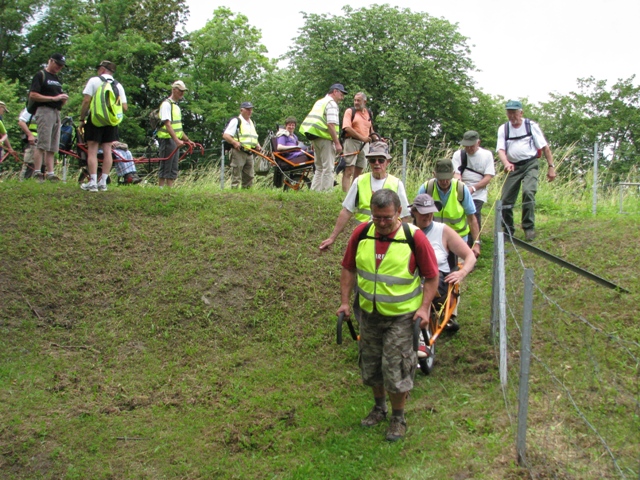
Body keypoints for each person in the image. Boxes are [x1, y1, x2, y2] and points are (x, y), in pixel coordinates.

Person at [338, 189, 439, 442]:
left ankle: (398, 417)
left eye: (387, 218)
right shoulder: (361, 233)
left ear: (399, 214)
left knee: (395, 367)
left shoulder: (413, 238)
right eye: (377, 218)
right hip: (369, 315)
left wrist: (424, 307)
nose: (382, 223)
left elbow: (432, 276)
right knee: (371, 365)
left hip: (402, 317)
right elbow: (348, 268)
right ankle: (379, 407)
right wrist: (344, 303)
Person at [319, 141, 410, 251]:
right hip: (364, 237)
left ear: (387, 162)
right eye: (372, 160)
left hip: (389, 238)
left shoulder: (396, 183)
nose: (376, 163)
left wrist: (408, 242)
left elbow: (405, 216)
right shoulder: (359, 181)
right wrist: (332, 238)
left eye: (381, 160)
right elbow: (347, 210)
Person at [411, 193, 476, 334]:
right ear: (414, 212)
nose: (427, 216)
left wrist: (462, 272)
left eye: (430, 212)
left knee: (423, 287)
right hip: (411, 275)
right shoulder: (407, 230)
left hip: (437, 277)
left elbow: (470, 256)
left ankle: (423, 334)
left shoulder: (443, 230)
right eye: (423, 213)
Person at [497, 100, 556, 241]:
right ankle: (508, 230)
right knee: (505, 200)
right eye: (509, 112)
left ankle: (528, 227)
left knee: (528, 192)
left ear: (521, 112)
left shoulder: (531, 126)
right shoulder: (503, 129)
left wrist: (551, 167)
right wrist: (506, 163)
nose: (511, 116)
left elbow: (545, 147)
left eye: (514, 112)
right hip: (513, 166)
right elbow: (501, 149)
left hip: (530, 164)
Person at [79, 60, 128, 192]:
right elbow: (124, 107)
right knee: (108, 150)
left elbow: (86, 101)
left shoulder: (94, 81)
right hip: (111, 122)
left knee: (92, 150)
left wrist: (82, 118)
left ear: (102, 69)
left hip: (95, 120)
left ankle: (93, 182)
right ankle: (103, 183)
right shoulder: (118, 86)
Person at [418, 159, 481, 258]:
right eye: (441, 178)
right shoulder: (426, 189)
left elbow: (472, 219)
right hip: (434, 238)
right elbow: (417, 217)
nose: (444, 181)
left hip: (459, 239)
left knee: (459, 270)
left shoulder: (461, 189)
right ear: (434, 174)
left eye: (447, 178)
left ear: (453, 174)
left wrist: (476, 243)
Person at [28, 53, 69, 181]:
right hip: (44, 110)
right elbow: (33, 95)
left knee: (53, 144)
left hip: (56, 111)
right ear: (51, 61)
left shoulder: (57, 79)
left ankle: (50, 173)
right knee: (42, 143)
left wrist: (62, 99)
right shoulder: (41, 75)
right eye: (57, 64)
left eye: (61, 66)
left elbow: (58, 94)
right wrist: (53, 98)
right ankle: (37, 171)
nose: (59, 67)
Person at [299, 83, 347, 192]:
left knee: (319, 168)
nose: (342, 97)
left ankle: (315, 192)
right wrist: (337, 143)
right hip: (326, 139)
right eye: (341, 93)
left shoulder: (320, 102)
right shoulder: (331, 104)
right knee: (328, 168)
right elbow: (331, 124)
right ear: (335, 91)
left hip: (315, 138)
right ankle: (326, 193)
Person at [451, 130, 495, 247]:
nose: (469, 148)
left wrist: (473, 189)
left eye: (472, 146)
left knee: (474, 213)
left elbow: (488, 177)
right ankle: (458, 240)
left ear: (478, 143)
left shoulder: (487, 155)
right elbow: (456, 173)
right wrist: (461, 186)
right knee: (459, 213)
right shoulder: (458, 155)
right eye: (466, 146)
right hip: (461, 188)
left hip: (478, 191)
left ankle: (473, 244)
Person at [156, 80, 194, 187]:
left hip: (175, 140)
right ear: (174, 90)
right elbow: (167, 124)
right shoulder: (166, 104)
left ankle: (169, 189)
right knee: (166, 164)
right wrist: (177, 140)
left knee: (173, 165)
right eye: (180, 91)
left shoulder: (176, 106)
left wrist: (188, 140)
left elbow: (178, 129)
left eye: (183, 91)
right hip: (167, 139)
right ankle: (161, 188)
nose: (182, 93)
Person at [340, 92, 375, 192]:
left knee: (359, 170)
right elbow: (347, 128)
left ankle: (354, 194)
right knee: (349, 170)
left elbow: (370, 129)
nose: (356, 102)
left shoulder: (369, 113)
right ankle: (345, 194)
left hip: (365, 145)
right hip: (351, 142)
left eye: (358, 100)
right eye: (355, 100)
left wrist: (378, 139)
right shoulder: (350, 111)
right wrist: (362, 138)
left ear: (365, 101)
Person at [223, 102, 262, 188]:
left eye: (251, 109)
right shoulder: (236, 121)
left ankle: (247, 195)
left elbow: (253, 136)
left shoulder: (252, 122)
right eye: (248, 109)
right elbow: (226, 135)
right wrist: (234, 142)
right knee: (236, 175)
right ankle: (235, 195)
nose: (250, 111)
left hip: (250, 152)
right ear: (241, 110)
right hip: (238, 151)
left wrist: (257, 144)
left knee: (250, 176)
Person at [17, 107, 41, 180]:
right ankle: (24, 180)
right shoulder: (30, 108)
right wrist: (30, 135)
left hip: (42, 138)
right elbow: (21, 122)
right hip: (33, 139)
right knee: (29, 161)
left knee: (41, 162)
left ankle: (38, 181)